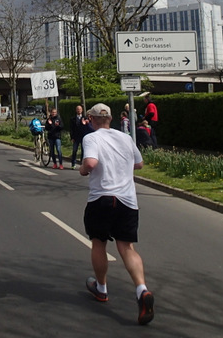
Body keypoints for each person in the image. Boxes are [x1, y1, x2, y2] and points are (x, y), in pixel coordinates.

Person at [79, 103, 154, 325]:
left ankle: (101, 288)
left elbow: (91, 163)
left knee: (99, 243)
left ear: (92, 120)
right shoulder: (125, 137)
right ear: (110, 119)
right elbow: (139, 164)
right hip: (128, 200)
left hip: (102, 198)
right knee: (127, 247)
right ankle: (142, 290)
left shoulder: (92, 138)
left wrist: (83, 169)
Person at [69, 104, 91, 170]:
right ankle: (73, 163)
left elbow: (88, 127)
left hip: (83, 136)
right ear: (76, 110)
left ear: (82, 110)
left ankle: (82, 163)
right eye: (78, 109)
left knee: (83, 151)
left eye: (80, 109)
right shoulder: (73, 119)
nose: (79, 110)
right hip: (75, 137)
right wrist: (72, 137)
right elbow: (71, 128)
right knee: (74, 150)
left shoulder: (85, 118)